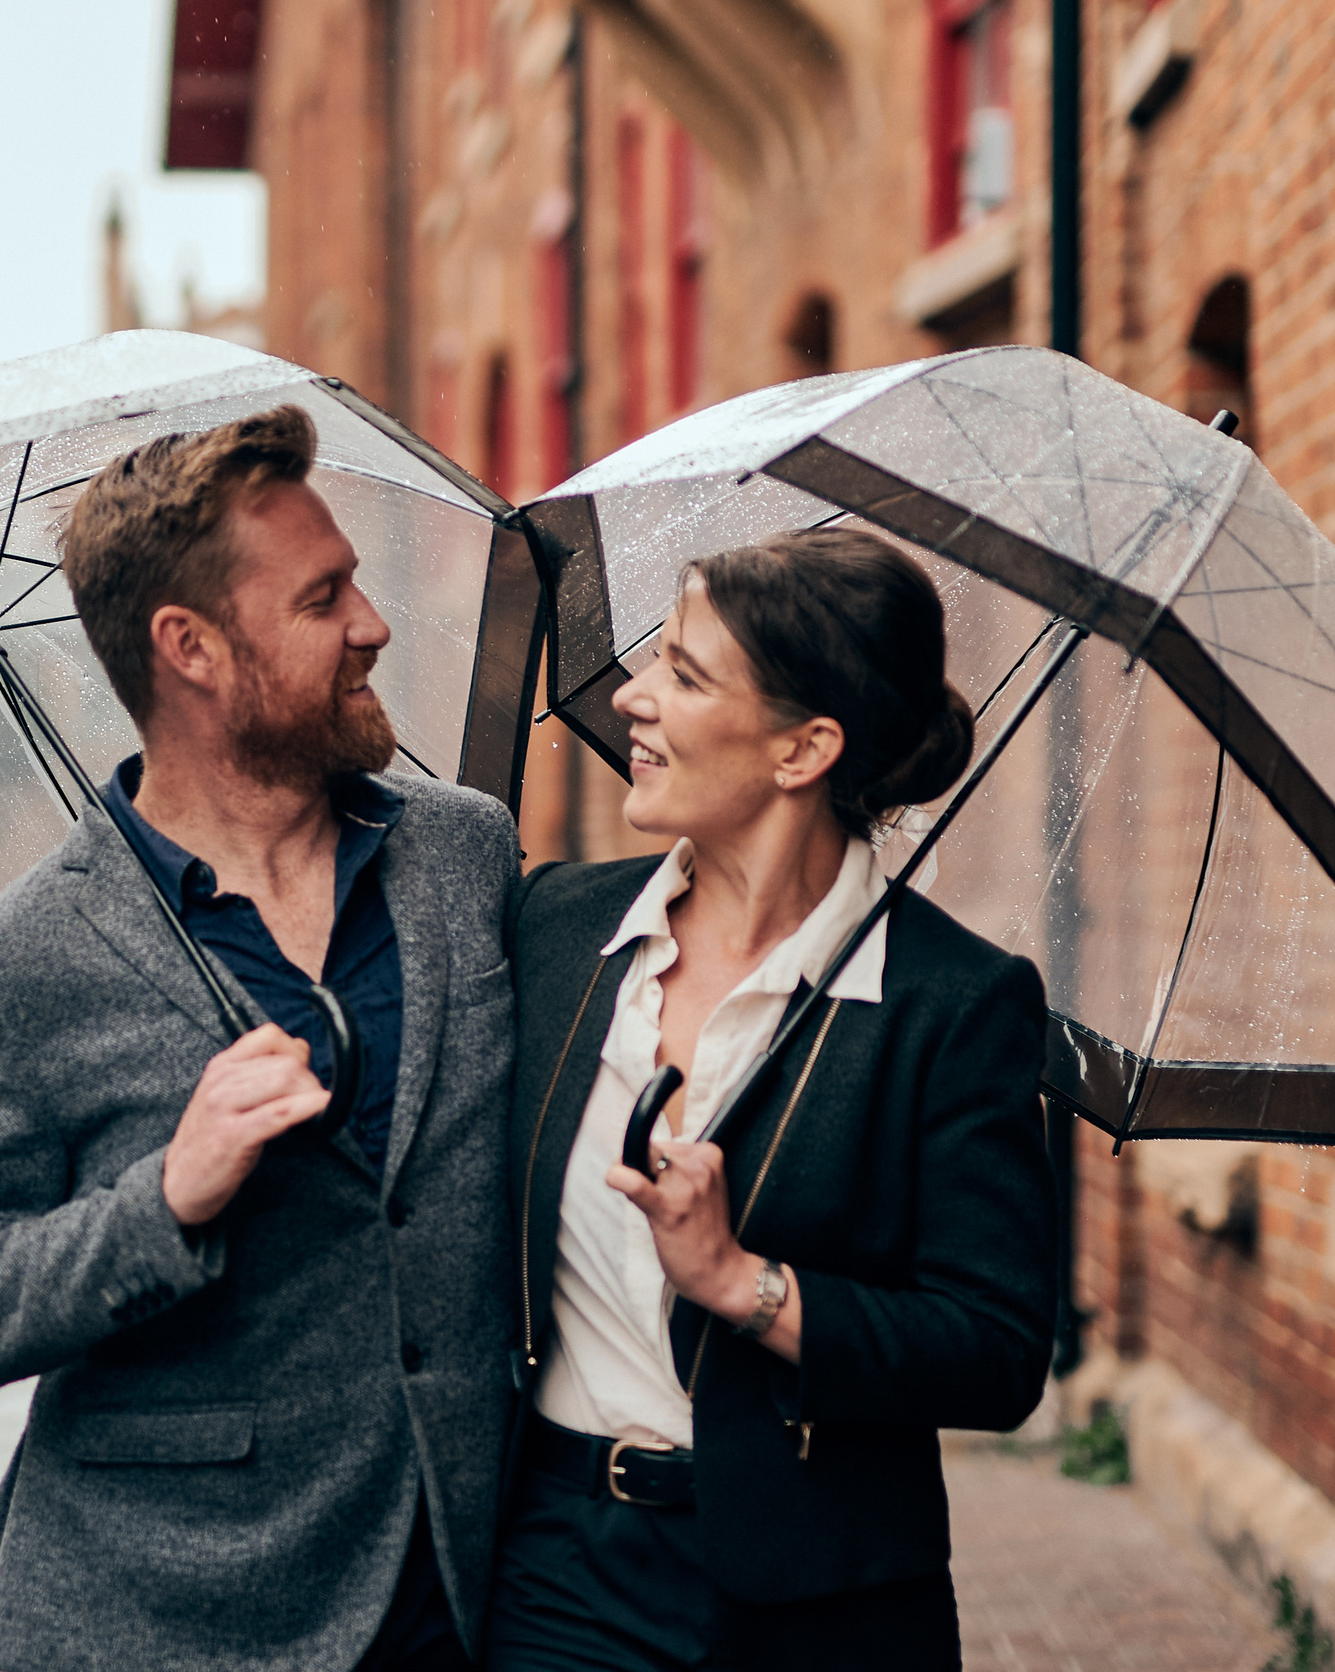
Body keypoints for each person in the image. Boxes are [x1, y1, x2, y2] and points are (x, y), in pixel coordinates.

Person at [0, 405, 522, 1672]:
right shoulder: (19, 967)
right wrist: (164, 1200)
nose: (371, 625)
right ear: (192, 648)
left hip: (456, 1596)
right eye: (322, 598)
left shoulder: (462, 853)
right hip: (167, 1618)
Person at [492, 527, 1057, 1672]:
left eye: (685, 676)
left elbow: (995, 1352)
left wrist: (744, 1285)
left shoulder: (952, 1003)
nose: (636, 699)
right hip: (557, 1563)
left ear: (803, 748)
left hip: (821, 1597)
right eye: (654, 659)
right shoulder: (554, 930)